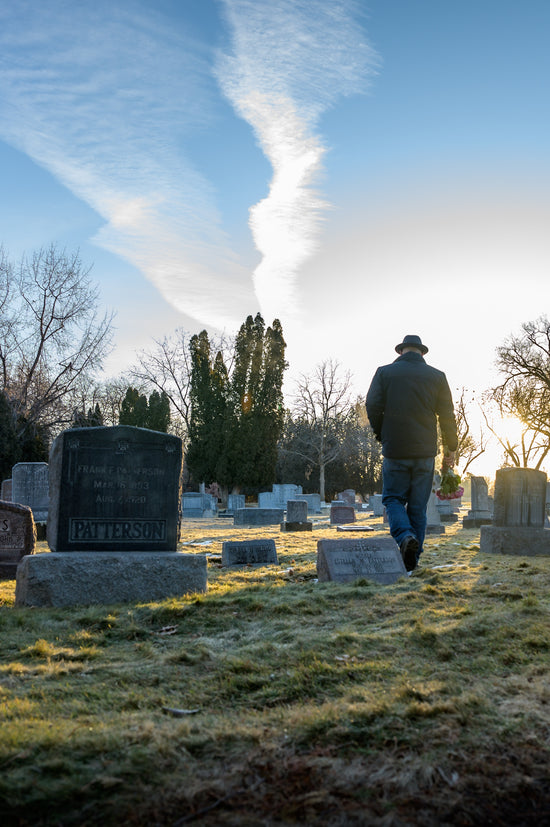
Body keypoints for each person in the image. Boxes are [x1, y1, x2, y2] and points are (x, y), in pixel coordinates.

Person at [365, 334, 457, 572]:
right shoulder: (437, 377)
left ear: (401, 352)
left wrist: (380, 433)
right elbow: (447, 415)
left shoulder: (384, 373)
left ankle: (405, 537)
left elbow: (372, 405)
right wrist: (451, 448)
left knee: (393, 499)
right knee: (417, 508)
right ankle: (412, 562)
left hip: (395, 448)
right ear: (422, 353)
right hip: (425, 451)